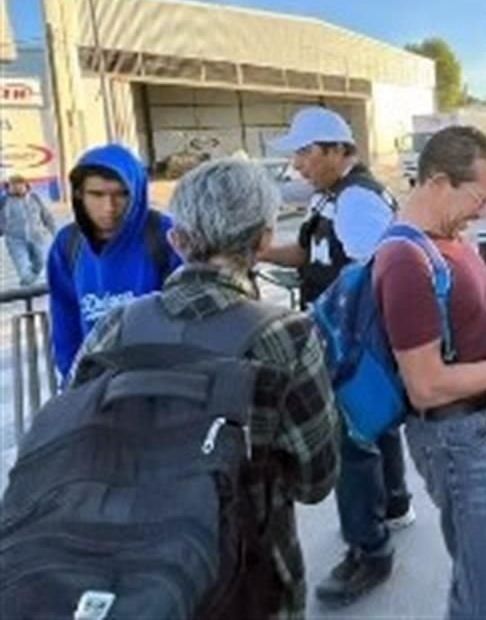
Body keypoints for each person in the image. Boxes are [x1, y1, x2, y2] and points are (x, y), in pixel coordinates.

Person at [70, 158, 341, 618]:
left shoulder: (116, 326)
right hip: (251, 578)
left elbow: (76, 441)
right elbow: (316, 480)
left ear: (177, 240)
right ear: (263, 240)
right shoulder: (287, 334)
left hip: (133, 573)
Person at [376, 125, 486, 619]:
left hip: (477, 424)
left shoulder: (446, 238)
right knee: (485, 583)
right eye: (481, 196)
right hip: (455, 437)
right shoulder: (406, 260)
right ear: (437, 182)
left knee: (482, 565)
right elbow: (426, 385)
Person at [260, 106, 413, 607]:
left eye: (305, 153)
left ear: (334, 150)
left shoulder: (357, 202)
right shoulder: (331, 198)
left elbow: (372, 276)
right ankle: (393, 504)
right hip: (347, 337)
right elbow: (310, 256)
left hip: (351, 340)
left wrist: (345, 344)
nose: (299, 164)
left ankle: (369, 550)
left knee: (350, 441)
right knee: (375, 423)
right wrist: (256, 252)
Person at [47, 144, 180, 379]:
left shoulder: (165, 235)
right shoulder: (68, 243)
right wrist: (72, 379)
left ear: (138, 192)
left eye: (121, 194)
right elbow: (64, 317)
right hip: (96, 385)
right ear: (79, 193)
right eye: (97, 195)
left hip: (160, 382)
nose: (109, 207)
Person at [0, 174, 56, 286]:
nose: (17, 189)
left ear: (25, 185)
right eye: (13, 186)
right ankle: (27, 286)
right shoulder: (4, 202)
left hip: (36, 237)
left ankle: (28, 284)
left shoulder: (34, 198)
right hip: (15, 240)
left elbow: (46, 216)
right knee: (23, 269)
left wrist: (54, 232)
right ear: (9, 187)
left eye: (20, 186)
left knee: (39, 264)